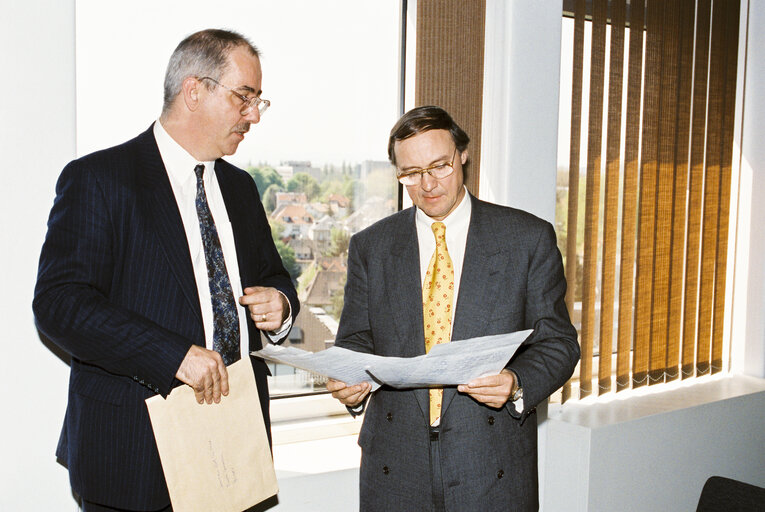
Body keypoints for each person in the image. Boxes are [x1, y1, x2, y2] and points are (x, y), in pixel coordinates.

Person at [33, 29, 299, 512]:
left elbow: (276, 277)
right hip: (133, 454)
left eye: (260, 101)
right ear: (194, 91)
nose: (254, 115)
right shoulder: (100, 179)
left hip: (235, 448)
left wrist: (280, 304)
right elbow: (60, 304)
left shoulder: (241, 189)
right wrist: (172, 356)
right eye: (245, 97)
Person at [327, 106, 580, 511]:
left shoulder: (526, 238)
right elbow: (356, 339)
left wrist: (516, 381)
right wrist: (348, 381)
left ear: (462, 154)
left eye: (439, 165)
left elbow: (558, 344)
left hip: (492, 464)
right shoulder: (371, 246)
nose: (427, 184)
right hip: (394, 468)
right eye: (411, 173)